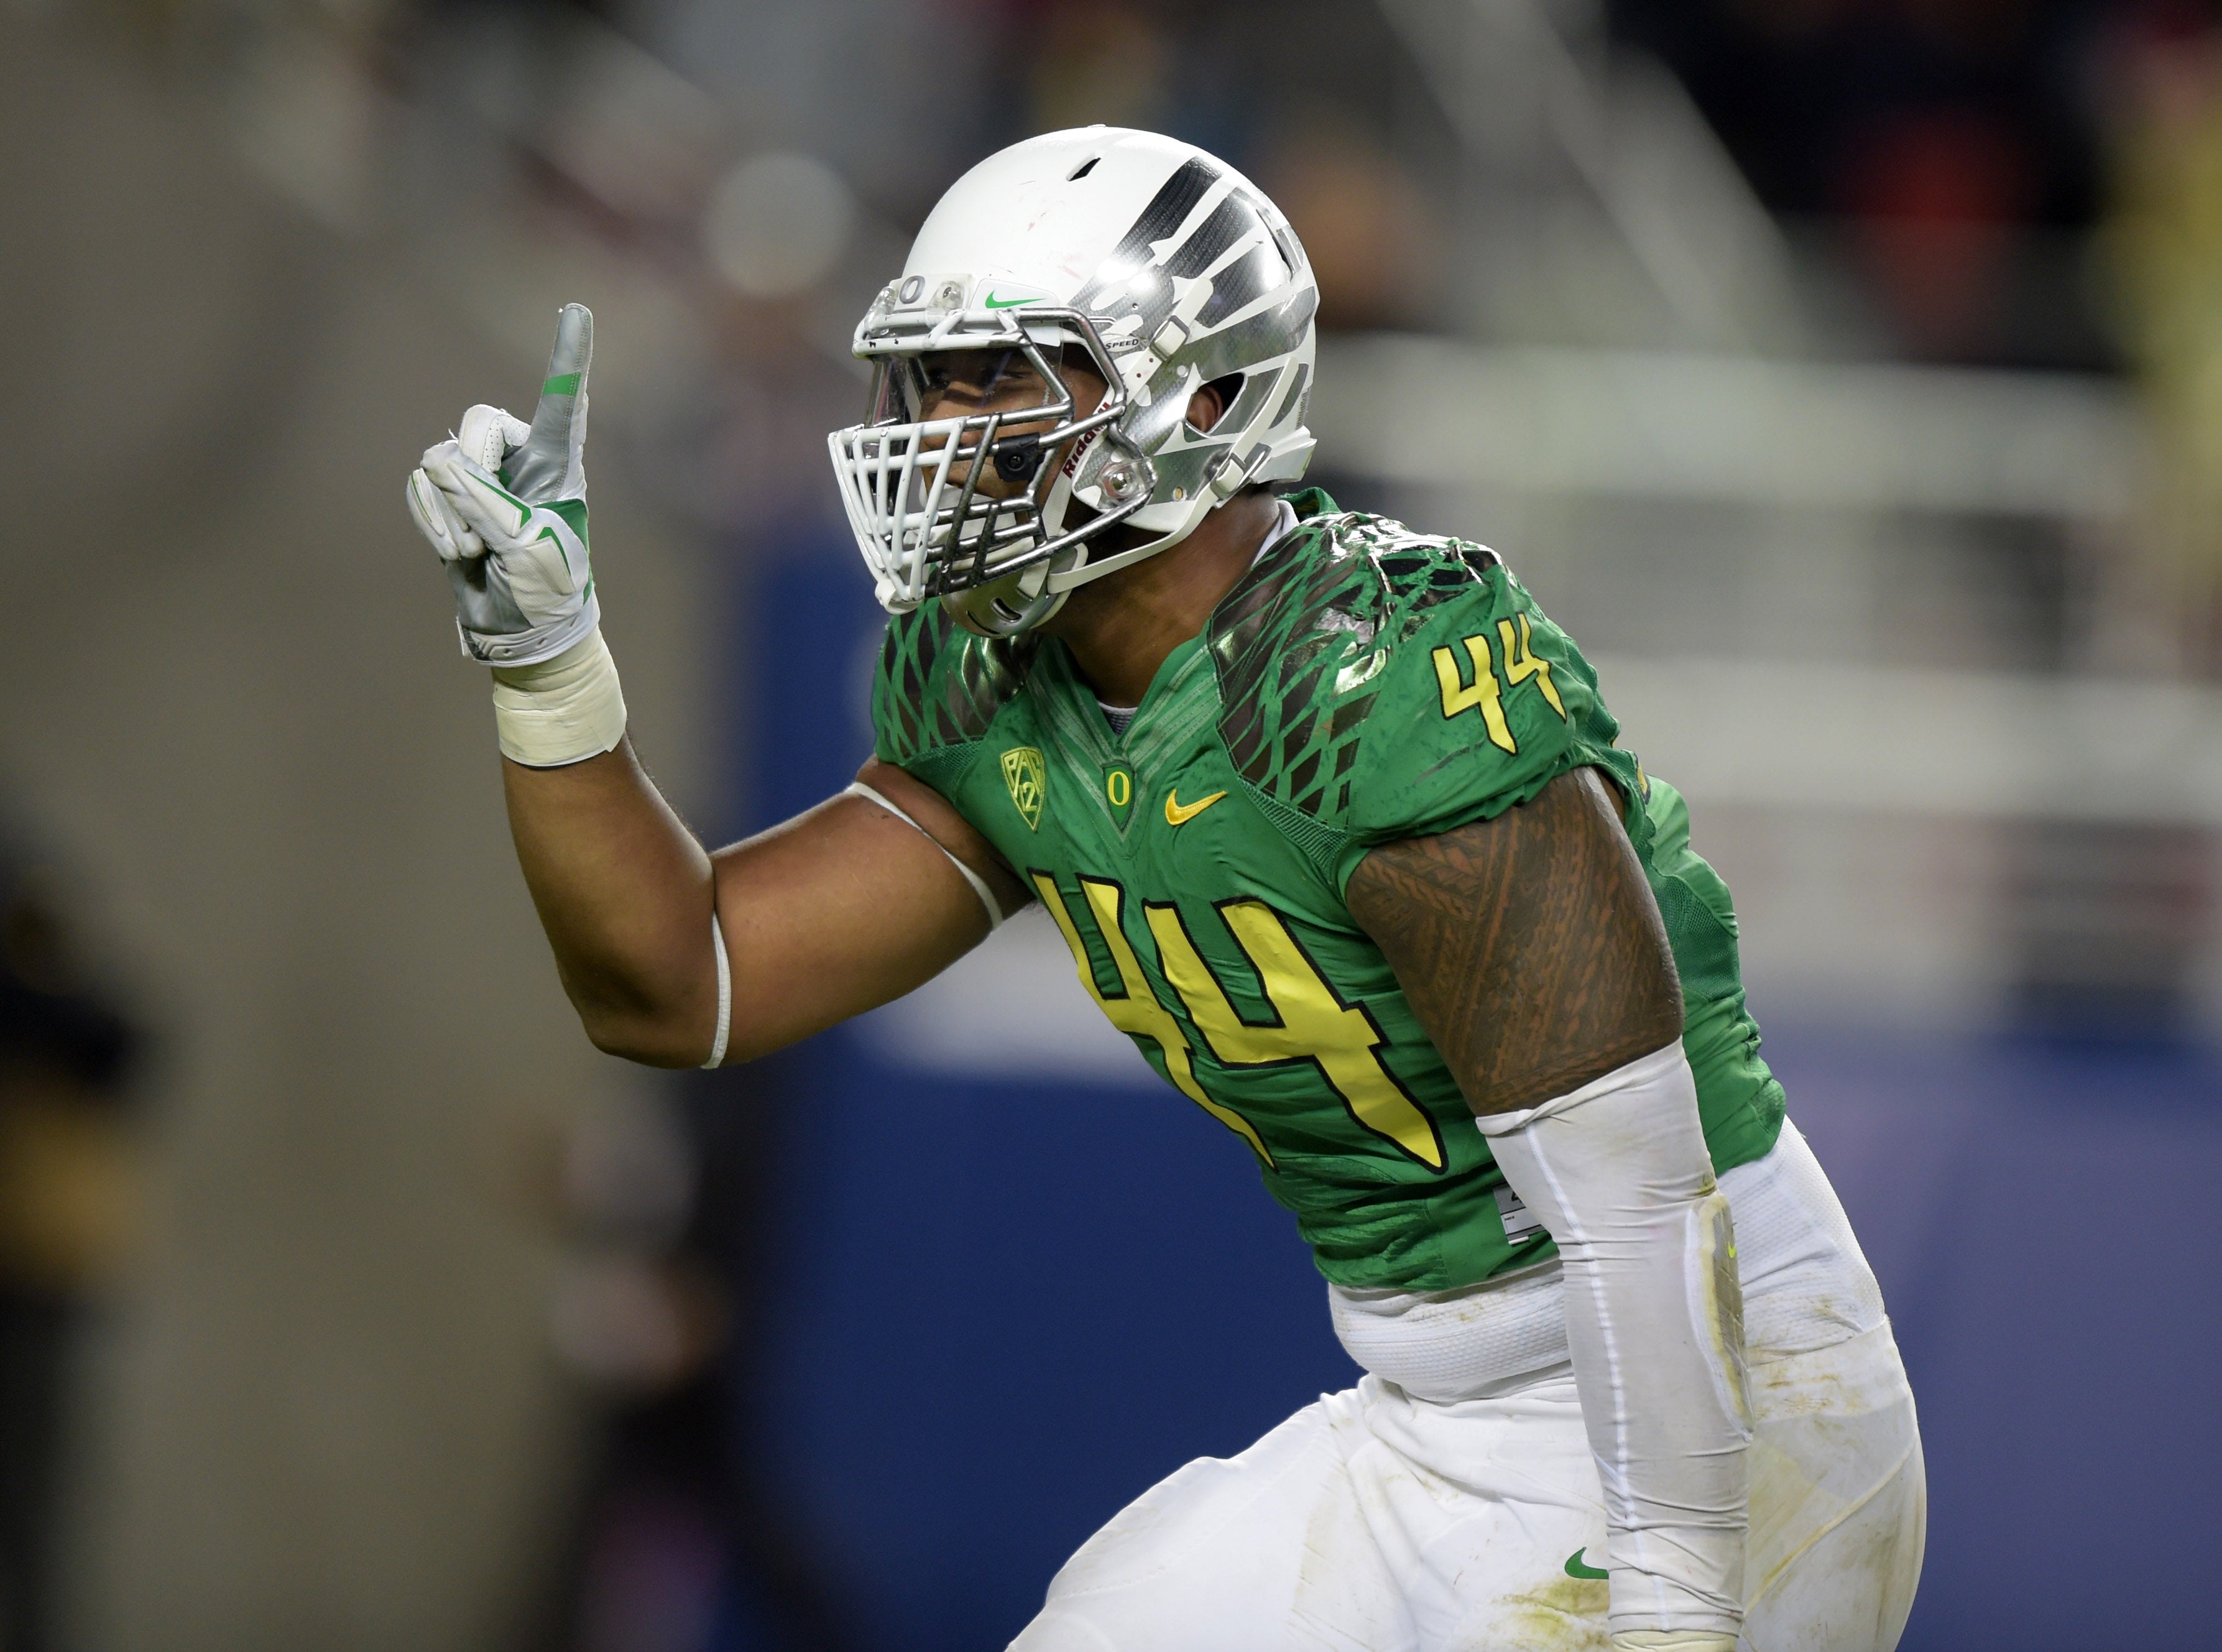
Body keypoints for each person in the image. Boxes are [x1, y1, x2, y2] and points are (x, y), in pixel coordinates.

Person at [406, 126, 1924, 1652]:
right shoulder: (995, 679)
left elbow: (1640, 1212)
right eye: (926, 380)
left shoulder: (1367, 681)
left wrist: (1673, 1610)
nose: (937, 426)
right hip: (1433, 1418)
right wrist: (547, 668)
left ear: (1196, 396)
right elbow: (682, 981)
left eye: (999, 377)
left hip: (1714, 1399)